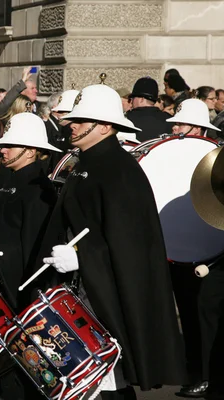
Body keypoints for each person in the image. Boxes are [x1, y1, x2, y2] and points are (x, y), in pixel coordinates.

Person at [38, 84, 187, 399]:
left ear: (104, 126)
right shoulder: (85, 162)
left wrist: (84, 257)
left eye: (82, 119)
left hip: (103, 289)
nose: (71, 124)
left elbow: (130, 244)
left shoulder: (120, 170)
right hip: (78, 286)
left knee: (107, 380)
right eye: (72, 118)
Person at [0, 112, 60, 400]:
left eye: (12, 145)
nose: (3, 149)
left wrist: (24, 293)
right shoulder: (12, 180)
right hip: (3, 282)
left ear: (32, 150)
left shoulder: (38, 188)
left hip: (20, 289)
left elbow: (35, 247)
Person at [165, 99, 221, 398]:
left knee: (206, 316)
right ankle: (194, 370)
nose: (175, 128)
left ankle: (208, 376)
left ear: (198, 128)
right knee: (188, 314)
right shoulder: (173, 156)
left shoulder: (212, 157)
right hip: (181, 250)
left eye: (180, 124)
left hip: (212, 252)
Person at [126, 77, 173, 142]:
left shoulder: (126, 120)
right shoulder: (170, 120)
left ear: (141, 99)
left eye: (133, 98)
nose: (131, 102)